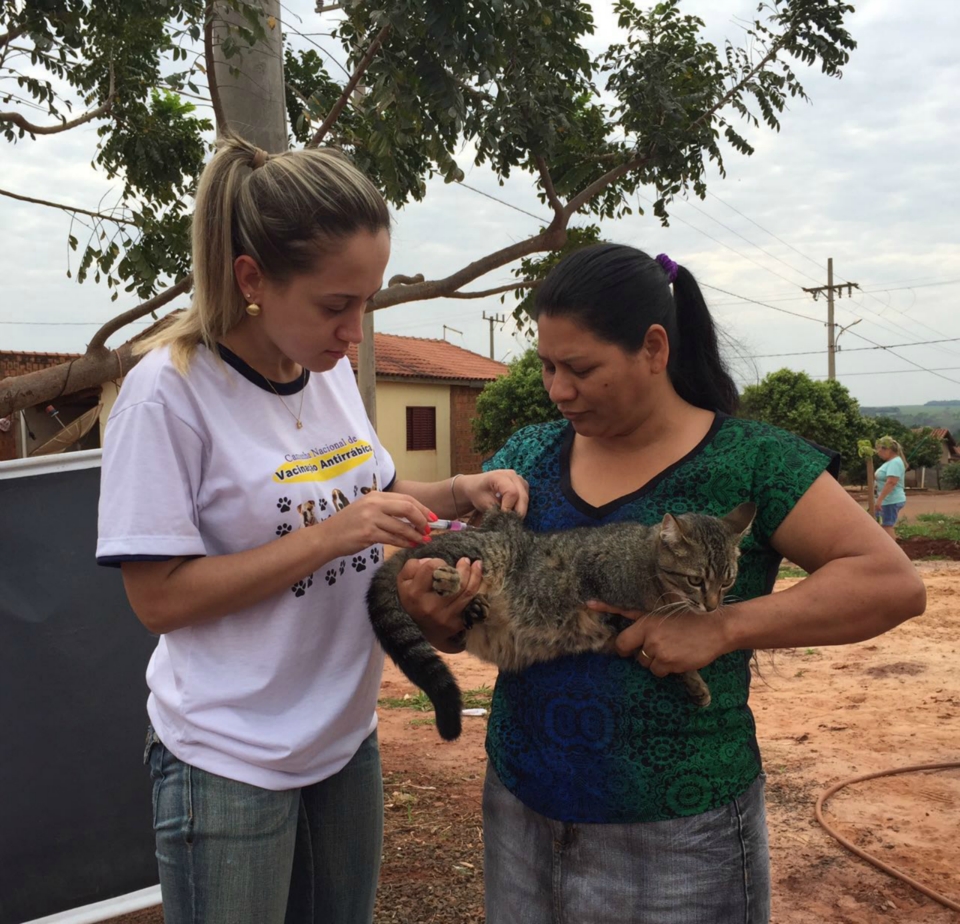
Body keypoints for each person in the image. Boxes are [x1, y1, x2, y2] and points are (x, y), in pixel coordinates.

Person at [397, 244, 926, 924]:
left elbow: (890, 582)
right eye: (547, 366)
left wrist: (721, 626)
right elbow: (481, 620)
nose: (557, 390)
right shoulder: (527, 456)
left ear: (653, 347)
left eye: (580, 368)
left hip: (681, 837)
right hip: (520, 806)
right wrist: (441, 619)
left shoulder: (749, 461)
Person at [95, 134, 526, 924]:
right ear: (252, 280)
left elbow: (388, 496)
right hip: (226, 761)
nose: (354, 331)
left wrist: (462, 489)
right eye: (336, 305)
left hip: (341, 743)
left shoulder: (322, 375)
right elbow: (156, 599)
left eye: (367, 301)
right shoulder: (169, 395)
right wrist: (334, 535)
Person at [874, 435, 908, 538]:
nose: (878, 453)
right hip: (887, 500)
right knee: (883, 525)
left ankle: (892, 552)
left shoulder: (895, 463)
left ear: (887, 449)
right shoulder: (890, 462)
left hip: (890, 501)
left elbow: (891, 482)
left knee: (887, 526)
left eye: (879, 450)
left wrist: (880, 500)